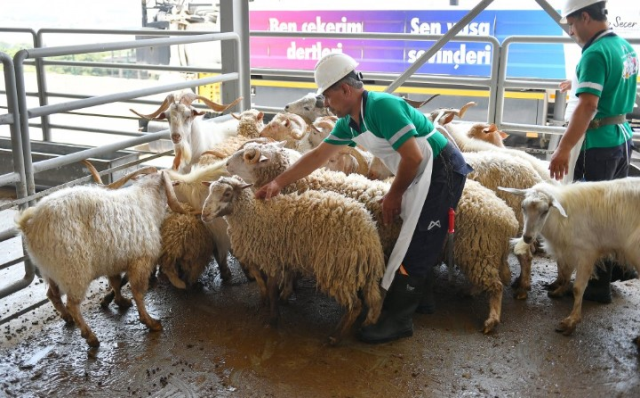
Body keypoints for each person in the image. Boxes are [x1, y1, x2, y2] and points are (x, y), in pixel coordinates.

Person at [255, 52, 472, 344]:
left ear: (345, 90)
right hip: (417, 172)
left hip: (440, 168)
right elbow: (319, 155)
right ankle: (422, 299)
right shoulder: (350, 122)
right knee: (412, 233)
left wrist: (393, 195)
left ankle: (398, 320)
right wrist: (277, 182)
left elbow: (413, 155)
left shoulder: (383, 107)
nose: (327, 105)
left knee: (420, 237)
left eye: (329, 97)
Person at [549, 0, 639, 303]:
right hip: (620, 137)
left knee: (592, 217)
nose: (571, 31)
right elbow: (610, 87)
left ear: (585, 17)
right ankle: (608, 275)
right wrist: (576, 84)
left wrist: (563, 149)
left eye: (571, 24)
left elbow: (588, 106)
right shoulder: (623, 46)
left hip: (597, 143)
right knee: (613, 214)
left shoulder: (595, 52)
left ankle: (595, 286)